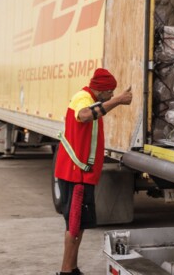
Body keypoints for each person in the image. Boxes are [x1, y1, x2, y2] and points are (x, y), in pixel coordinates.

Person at [54, 68, 132, 275]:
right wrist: (118, 101)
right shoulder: (83, 98)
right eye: (110, 91)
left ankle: (71, 268)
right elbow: (84, 115)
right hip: (76, 176)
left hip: (79, 175)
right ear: (102, 90)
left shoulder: (89, 98)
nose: (112, 95)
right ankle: (66, 271)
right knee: (74, 225)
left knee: (77, 225)